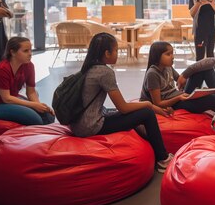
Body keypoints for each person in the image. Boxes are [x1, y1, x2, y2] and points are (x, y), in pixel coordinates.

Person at [70, 32, 173, 173]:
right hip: (90, 126)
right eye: (116, 50)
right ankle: (162, 158)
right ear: (107, 53)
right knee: (147, 113)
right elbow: (123, 107)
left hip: (78, 124)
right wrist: (149, 105)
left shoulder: (88, 68)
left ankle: (154, 148)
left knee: (132, 113)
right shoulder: (105, 72)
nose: (118, 54)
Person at [0, 37, 54, 125]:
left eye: (30, 50)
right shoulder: (2, 69)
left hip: (12, 100)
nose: (30, 54)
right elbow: (6, 99)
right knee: (36, 120)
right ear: (12, 52)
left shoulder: (29, 66)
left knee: (48, 116)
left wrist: (39, 106)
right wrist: (33, 105)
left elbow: (31, 92)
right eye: (25, 51)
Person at [140, 41, 215, 114]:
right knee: (214, 99)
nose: (172, 57)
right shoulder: (152, 74)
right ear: (157, 56)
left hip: (180, 95)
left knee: (207, 70)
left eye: (172, 53)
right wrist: (179, 97)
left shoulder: (168, 67)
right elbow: (158, 103)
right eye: (168, 54)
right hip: (174, 102)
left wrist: (199, 92)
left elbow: (181, 81)